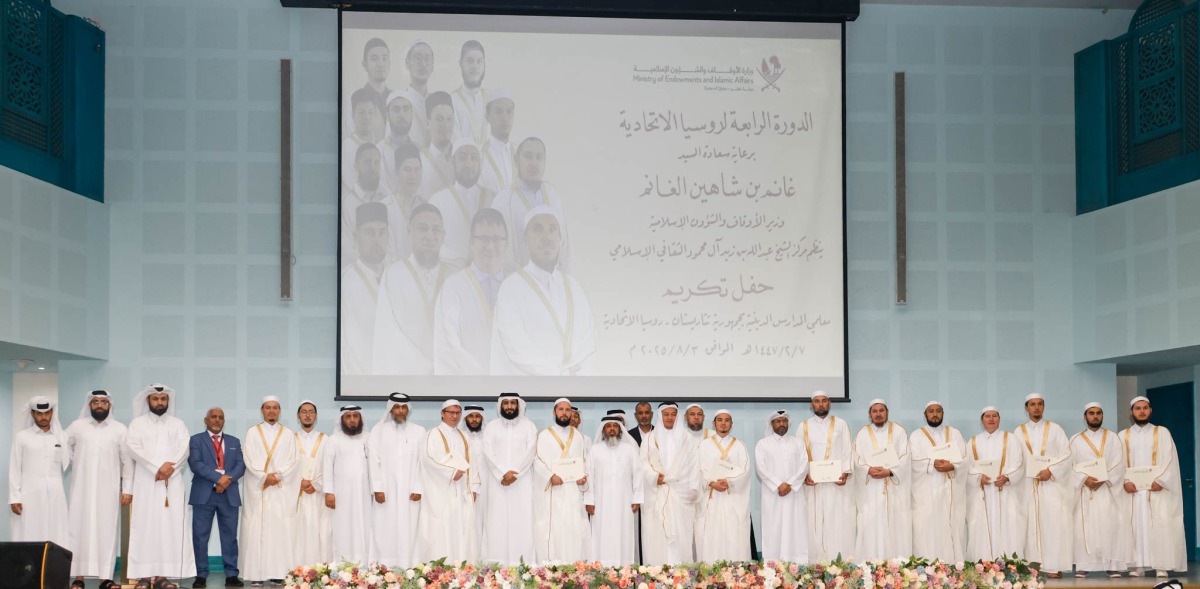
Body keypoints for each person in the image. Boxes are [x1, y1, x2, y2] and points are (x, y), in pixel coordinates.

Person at [491, 206, 596, 375]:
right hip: (530, 394)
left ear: (560, 238)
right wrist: (561, 373)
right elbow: (517, 347)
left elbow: (588, 343)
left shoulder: (574, 287)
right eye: (538, 230)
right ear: (525, 240)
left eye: (552, 230)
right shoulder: (511, 288)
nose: (546, 237)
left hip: (575, 391)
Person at [373, 203, 455, 375]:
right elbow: (389, 333)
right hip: (408, 378)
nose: (429, 235)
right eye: (422, 229)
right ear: (409, 232)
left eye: (436, 229)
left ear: (444, 235)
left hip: (451, 377)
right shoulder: (394, 275)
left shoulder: (455, 277)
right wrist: (428, 368)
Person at [126, 384, 195, 586]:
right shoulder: (137, 424)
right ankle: (145, 576)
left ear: (168, 401)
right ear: (148, 400)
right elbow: (133, 448)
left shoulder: (178, 424)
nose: (160, 402)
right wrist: (156, 468)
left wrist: (169, 469)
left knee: (169, 528)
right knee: (145, 527)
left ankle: (163, 576)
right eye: (156, 399)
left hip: (171, 484)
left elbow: (184, 449)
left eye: (163, 399)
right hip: (146, 482)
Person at [65, 391, 132, 589]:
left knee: (107, 530)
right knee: (78, 529)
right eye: (95, 402)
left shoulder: (119, 429)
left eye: (103, 402)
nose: (100, 405)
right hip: (81, 489)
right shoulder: (77, 427)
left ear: (110, 405)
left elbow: (127, 461)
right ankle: (78, 577)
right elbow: (61, 446)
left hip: (108, 489)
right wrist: (74, 460)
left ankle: (106, 578)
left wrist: (127, 489)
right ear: (89, 405)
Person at [433, 208, 507, 375]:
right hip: (467, 389)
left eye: (497, 239)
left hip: (512, 393)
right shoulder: (453, 287)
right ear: (472, 243)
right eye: (483, 239)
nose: (490, 246)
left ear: (506, 243)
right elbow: (447, 344)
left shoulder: (516, 287)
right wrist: (482, 378)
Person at [1121, 396, 1186, 577]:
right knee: (1135, 527)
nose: (1141, 411)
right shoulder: (1123, 436)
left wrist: (1162, 480)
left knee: (1160, 526)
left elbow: (1170, 460)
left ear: (1150, 411)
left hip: (1156, 490)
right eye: (1137, 408)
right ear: (1131, 412)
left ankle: (1161, 565)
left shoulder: (1162, 432)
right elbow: (1118, 463)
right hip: (1133, 492)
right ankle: (1137, 565)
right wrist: (1125, 481)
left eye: (1145, 408)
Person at [241, 396, 298, 585]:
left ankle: (278, 573)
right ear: (262, 410)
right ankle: (256, 575)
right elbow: (248, 458)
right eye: (268, 408)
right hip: (259, 488)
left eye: (275, 408)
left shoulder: (289, 434)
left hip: (280, 489)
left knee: (279, 530)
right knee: (256, 529)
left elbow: (293, 460)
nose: (271, 411)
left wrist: (278, 476)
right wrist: (264, 477)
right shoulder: (252, 433)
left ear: (280, 410)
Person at [1015, 393, 1072, 577]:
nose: (1036, 407)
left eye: (1039, 404)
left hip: (1051, 486)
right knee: (1030, 524)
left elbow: (1066, 455)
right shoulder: (1018, 432)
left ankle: (1053, 566)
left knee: (1053, 524)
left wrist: (1051, 471)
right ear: (1026, 408)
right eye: (1032, 404)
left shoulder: (1056, 429)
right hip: (1028, 485)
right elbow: (1016, 459)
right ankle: (1033, 566)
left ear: (1044, 407)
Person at [491, 137, 571, 270]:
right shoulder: (503, 200)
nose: (534, 163)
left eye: (539, 157)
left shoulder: (553, 194)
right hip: (517, 280)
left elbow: (564, 245)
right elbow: (497, 249)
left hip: (552, 281)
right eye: (528, 157)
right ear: (516, 160)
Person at [1069, 402, 1129, 578]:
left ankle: (1112, 565)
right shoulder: (1075, 440)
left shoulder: (1113, 438)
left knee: (1110, 525)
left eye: (1098, 413)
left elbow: (1119, 462)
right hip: (1085, 491)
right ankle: (1084, 565)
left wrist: (1104, 479)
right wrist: (1084, 479)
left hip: (1107, 490)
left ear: (1102, 416)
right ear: (1085, 416)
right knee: (1084, 528)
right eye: (1091, 413)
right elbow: (1069, 465)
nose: (1095, 416)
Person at [187, 407, 244, 589]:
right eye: (213, 417)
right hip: (204, 495)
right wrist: (218, 478)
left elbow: (240, 465)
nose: (217, 420)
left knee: (230, 537)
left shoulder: (234, 441)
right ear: (206, 420)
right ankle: (201, 574)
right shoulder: (196, 440)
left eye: (220, 417)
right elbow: (196, 464)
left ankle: (232, 574)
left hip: (228, 495)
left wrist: (226, 480)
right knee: (200, 537)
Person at [480, 392, 538, 565]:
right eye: (506, 403)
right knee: (496, 523)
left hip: (522, 483)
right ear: (500, 406)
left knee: (523, 523)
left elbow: (531, 452)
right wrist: (502, 473)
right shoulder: (491, 426)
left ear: (518, 406)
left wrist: (515, 474)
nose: (510, 406)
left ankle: (523, 565)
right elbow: (487, 451)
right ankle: (496, 567)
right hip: (497, 483)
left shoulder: (529, 426)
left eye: (513, 403)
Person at [368, 393, 425, 567]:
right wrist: (377, 488)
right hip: (386, 490)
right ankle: (385, 566)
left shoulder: (419, 431)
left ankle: (410, 566)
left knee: (410, 527)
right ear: (390, 409)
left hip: (411, 490)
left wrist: (418, 487)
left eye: (404, 407)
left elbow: (423, 462)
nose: (400, 411)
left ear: (408, 409)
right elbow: (372, 459)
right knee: (384, 526)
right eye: (396, 407)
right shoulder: (378, 431)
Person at [419, 399, 479, 562]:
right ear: (442, 414)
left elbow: (473, 463)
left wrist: (474, 487)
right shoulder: (432, 434)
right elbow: (428, 459)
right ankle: (441, 568)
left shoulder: (464, 436)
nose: (454, 416)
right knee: (443, 530)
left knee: (462, 530)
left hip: (462, 493)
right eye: (451, 413)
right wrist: (451, 473)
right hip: (440, 493)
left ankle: (461, 568)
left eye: (457, 413)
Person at [640, 401, 699, 565]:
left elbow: (694, 465)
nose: (670, 418)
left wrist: (690, 489)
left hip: (681, 496)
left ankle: (681, 577)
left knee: (681, 537)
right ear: (660, 416)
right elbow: (642, 464)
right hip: (657, 493)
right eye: (666, 414)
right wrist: (653, 477)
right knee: (657, 537)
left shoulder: (687, 438)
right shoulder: (649, 438)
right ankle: (656, 575)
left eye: (673, 414)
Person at [852, 399, 911, 561]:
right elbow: (856, 458)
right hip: (871, 490)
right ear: (870, 414)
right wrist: (868, 469)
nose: (878, 414)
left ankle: (897, 568)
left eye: (881, 411)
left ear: (887, 412)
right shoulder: (862, 433)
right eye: (874, 411)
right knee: (871, 526)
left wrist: (891, 471)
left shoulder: (899, 431)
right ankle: (871, 565)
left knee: (895, 526)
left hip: (894, 488)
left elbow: (906, 457)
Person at [908, 400, 966, 563]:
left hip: (950, 491)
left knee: (951, 528)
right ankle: (927, 568)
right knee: (926, 529)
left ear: (943, 413)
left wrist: (952, 465)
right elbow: (911, 461)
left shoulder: (954, 434)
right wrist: (931, 463)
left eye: (938, 411)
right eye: (931, 411)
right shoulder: (916, 436)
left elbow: (965, 459)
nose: (935, 414)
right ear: (925, 414)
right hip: (926, 494)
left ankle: (953, 566)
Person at [533, 398, 591, 563]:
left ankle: (575, 565)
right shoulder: (544, 435)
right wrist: (550, 476)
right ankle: (552, 568)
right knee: (553, 529)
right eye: (561, 409)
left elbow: (584, 462)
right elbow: (537, 461)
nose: (565, 413)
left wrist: (583, 477)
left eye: (568, 410)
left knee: (573, 528)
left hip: (572, 491)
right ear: (554, 412)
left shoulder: (578, 437)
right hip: (552, 491)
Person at [965, 406, 1026, 561]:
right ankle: (982, 563)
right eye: (987, 416)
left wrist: (1007, 477)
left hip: (1005, 492)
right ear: (981, 420)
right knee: (980, 527)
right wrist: (979, 477)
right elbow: (967, 467)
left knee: (1008, 527)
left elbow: (1019, 463)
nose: (991, 419)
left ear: (999, 419)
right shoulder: (973, 442)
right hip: (982, 494)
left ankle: (1008, 564)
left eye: (994, 416)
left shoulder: (1011, 439)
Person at [799, 391, 854, 561]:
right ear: (811, 405)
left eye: (824, 401)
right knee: (813, 520)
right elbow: (799, 453)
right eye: (817, 401)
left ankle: (839, 560)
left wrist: (845, 472)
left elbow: (847, 449)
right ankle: (814, 562)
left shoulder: (841, 424)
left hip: (835, 483)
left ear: (829, 404)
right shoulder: (803, 426)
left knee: (836, 520)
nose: (821, 404)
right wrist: (804, 475)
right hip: (813, 484)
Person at [9, 396, 69, 548]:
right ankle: (29, 569)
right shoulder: (22, 437)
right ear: (32, 414)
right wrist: (14, 498)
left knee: (56, 531)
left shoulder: (61, 437)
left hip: (55, 494)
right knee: (30, 531)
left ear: (52, 413)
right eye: (39, 413)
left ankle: (53, 569)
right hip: (29, 496)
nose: (43, 417)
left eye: (47, 413)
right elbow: (15, 468)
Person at [323, 405, 379, 564]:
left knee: (366, 526)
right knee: (343, 527)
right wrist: (328, 492)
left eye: (356, 416)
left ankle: (365, 564)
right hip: (341, 494)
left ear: (360, 419)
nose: (352, 420)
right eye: (348, 416)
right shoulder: (333, 440)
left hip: (365, 494)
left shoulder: (370, 438)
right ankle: (343, 564)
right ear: (342, 419)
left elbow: (376, 466)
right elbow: (327, 466)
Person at [428, 139, 494, 267]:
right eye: (463, 158)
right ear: (453, 163)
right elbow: (432, 243)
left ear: (480, 164)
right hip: (450, 272)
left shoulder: (492, 199)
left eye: (474, 158)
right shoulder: (437, 200)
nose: (469, 164)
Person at [587, 416, 643, 566]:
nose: (612, 429)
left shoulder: (629, 449)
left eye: (615, 426)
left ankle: (623, 570)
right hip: (600, 503)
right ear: (603, 429)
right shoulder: (595, 450)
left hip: (624, 502)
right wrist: (589, 501)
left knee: (623, 535)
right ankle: (601, 569)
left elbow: (637, 474)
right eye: (608, 426)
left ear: (620, 429)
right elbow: (589, 477)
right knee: (601, 535)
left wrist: (637, 498)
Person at [695, 409, 750, 562]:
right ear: (714, 423)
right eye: (720, 420)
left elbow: (745, 471)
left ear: (731, 424)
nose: (723, 423)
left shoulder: (740, 445)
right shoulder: (704, 445)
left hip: (732, 498)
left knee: (733, 535)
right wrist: (711, 483)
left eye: (727, 420)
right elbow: (698, 469)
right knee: (711, 536)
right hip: (711, 497)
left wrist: (729, 482)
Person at [755, 410, 809, 562]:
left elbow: (804, 465)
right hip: (772, 495)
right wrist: (779, 484)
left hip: (794, 494)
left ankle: (797, 564)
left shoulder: (798, 443)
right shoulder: (763, 444)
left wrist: (790, 484)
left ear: (788, 423)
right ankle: (773, 566)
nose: (781, 424)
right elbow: (761, 468)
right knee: (773, 528)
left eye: (784, 421)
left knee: (795, 528)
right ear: (771, 424)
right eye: (777, 421)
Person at [341, 203, 388, 376]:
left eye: (382, 232)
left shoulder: (396, 277)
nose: (377, 240)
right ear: (355, 237)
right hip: (360, 377)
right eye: (369, 233)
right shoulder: (347, 281)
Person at [292, 401, 331, 567]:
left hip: (317, 495)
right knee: (297, 533)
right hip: (296, 495)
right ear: (298, 415)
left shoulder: (326, 440)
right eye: (304, 412)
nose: (307, 415)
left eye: (311, 412)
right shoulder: (290, 439)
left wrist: (316, 484)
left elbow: (330, 467)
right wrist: (298, 482)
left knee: (319, 532)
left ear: (316, 416)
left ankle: (319, 570)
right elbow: (285, 466)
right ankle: (297, 571)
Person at [341, 142, 389, 268]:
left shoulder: (387, 200)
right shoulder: (346, 204)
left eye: (376, 163)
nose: (372, 167)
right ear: (356, 166)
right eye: (367, 162)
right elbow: (346, 249)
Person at [341, 90, 385, 195]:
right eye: (362, 112)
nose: (366, 117)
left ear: (375, 114)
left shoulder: (383, 146)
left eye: (370, 112)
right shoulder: (345, 147)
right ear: (353, 115)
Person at [419, 91, 456, 199]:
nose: (445, 125)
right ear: (427, 123)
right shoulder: (420, 162)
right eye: (439, 119)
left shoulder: (462, 158)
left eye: (449, 119)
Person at [451, 41, 488, 144]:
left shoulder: (492, 100)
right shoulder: (452, 100)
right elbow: (455, 144)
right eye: (470, 61)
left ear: (484, 64)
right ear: (460, 64)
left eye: (479, 61)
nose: (475, 66)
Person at [479, 89, 516, 194]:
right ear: (488, 117)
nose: (505, 118)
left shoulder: (520, 154)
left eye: (509, 111)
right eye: (499, 112)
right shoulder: (478, 155)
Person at [380, 90, 417, 192]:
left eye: (406, 109)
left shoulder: (420, 150)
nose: (402, 114)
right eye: (396, 109)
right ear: (387, 115)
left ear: (412, 113)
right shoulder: (378, 151)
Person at [462, 404, 487, 551]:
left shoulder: (488, 437)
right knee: (469, 522)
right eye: (471, 416)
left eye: (477, 416)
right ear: (465, 418)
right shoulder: (460, 436)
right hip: (468, 486)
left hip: (489, 485)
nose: (474, 420)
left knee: (486, 521)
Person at [403, 41, 434, 148]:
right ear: (407, 63)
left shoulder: (437, 102)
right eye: (418, 58)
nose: (423, 64)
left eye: (427, 59)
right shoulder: (400, 102)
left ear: (433, 65)